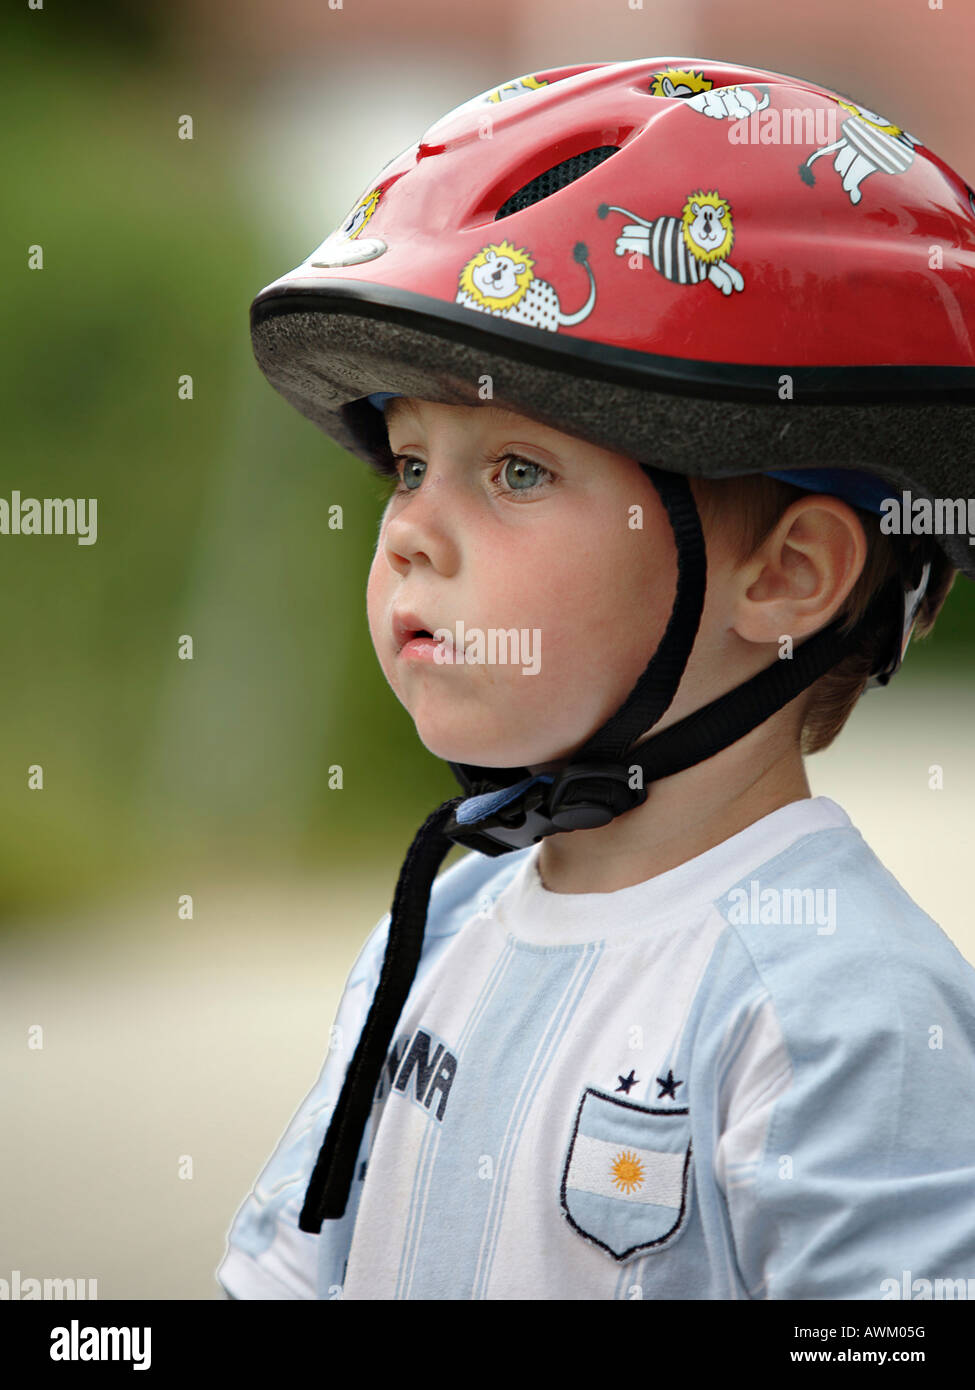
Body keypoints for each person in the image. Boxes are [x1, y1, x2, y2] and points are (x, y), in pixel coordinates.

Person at [216, 57, 975, 1300]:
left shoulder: (850, 1015)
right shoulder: (440, 928)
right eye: (409, 465)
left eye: (516, 470)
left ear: (785, 578)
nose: (411, 530)